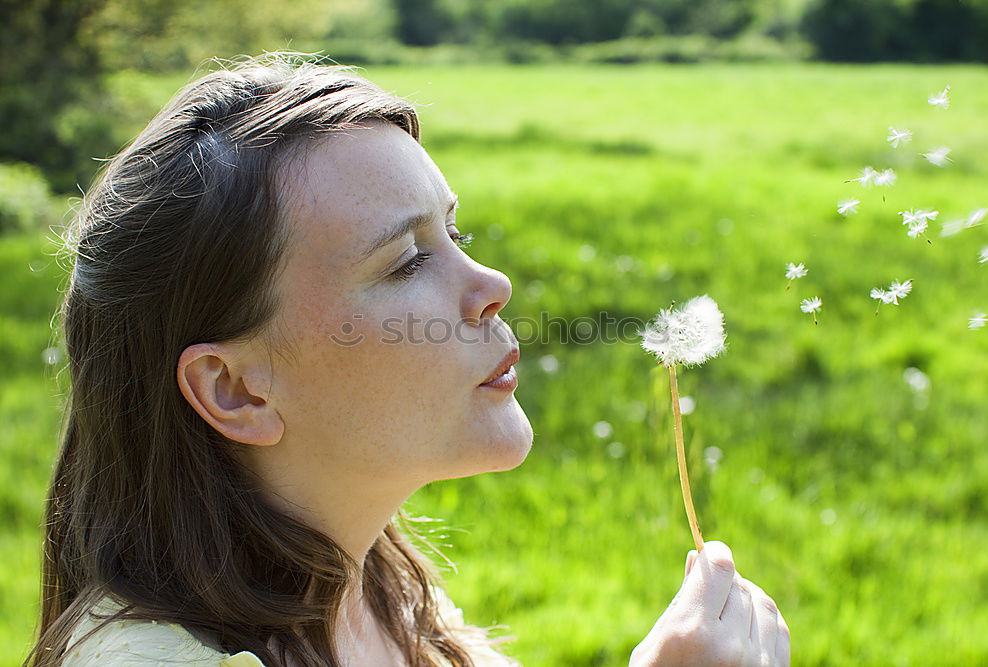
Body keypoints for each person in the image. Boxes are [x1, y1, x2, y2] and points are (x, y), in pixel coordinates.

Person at [25, 53, 790, 666]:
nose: (492, 285)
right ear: (236, 389)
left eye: (454, 233)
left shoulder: (388, 606)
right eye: (404, 264)